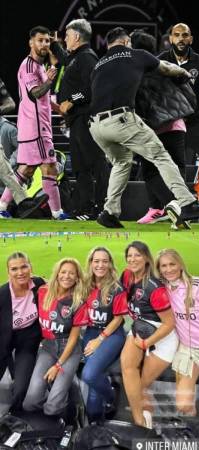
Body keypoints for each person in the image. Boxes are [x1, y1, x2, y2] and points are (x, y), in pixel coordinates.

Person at [88, 27, 199, 229]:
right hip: (121, 119)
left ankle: (109, 212)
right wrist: (184, 72)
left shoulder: (98, 64)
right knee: (160, 155)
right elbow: (167, 69)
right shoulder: (136, 55)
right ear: (126, 42)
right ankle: (186, 202)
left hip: (95, 126)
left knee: (121, 162)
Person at [129, 30, 199, 229]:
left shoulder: (135, 72)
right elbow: (188, 92)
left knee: (151, 171)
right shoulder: (166, 66)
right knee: (176, 170)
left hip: (154, 129)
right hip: (177, 125)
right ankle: (164, 210)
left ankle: (173, 206)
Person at [0, 26, 69, 220]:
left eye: (48, 41)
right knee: (49, 167)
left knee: (27, 169)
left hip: (37, 125)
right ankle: (57, 213)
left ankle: (2, 206)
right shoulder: (29, 66)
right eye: (41, 40)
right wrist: (48, 80)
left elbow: (44, 98)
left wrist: (60, 109)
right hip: (36, 127)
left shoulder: (39, 66)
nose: (45, 44)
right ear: (31, 42)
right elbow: (35, 93)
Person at [49, 19, 109, 221]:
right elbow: (66, 60)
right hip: (77, 121)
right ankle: (84, 209)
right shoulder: (76, 57)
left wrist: (70, 102)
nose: (65, 39)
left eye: (67, 36)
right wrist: (55, 45)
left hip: (86, 119)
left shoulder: (87, 58)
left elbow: (92, 88)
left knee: (95, 164)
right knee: (81, 167)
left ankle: (102, 207)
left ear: (76, 36)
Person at [117, 241, 178, 428]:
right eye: (129, 255)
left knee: (141, 385)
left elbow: (169, 323)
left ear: (146, 259)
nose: (132, 259)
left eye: (137, 255)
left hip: (162, 335)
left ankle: (146, 422)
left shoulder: (154, 287)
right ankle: (140, 422)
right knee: (127, 367)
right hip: (139, 328)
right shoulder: (127, 275)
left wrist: (147, 343)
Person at [22, 258, 88, 418]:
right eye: (63, 272)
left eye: (72, 273)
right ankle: (62, 386)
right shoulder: (43, 291)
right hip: (48, 347)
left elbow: (74, 337)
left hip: (70, 349)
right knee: (30, 403)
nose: (67, 276)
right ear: (57, 274)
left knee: (52, 408)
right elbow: (25, 278)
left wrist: (58, 366)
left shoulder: (78, 300)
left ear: (77, 277)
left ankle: (65, 391)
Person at [156, 249, 199, 416]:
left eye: (172, 264)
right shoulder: (164, 290)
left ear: (180, 264)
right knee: (183, 405)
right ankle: (195, 431)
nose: (169, 269)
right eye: (163, 266)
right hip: (188, 349)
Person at [158, 23, 199, 177]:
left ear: (191, 39)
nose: (180, 39)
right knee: (163, 166)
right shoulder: (159, 62)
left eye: (185, 35)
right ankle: (166, 200)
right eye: (177, 35)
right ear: (171, 39)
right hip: (169, 125)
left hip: (193, 122)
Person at [81, 247, 127, 422]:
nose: (100, 265)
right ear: (91, 263)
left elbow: (118, 319)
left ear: (110, 264)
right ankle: (95, 421)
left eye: (104, 261)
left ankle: (111, 396)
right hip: (91, 332)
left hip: (112, 334)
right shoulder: (85, 284)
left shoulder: (116, 288)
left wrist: (99, 340)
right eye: (96, 261)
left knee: (89, 375)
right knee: (94, 382)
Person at [0, 253, 45, 412]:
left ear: (30, 267)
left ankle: (14, 417)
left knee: (20, 389)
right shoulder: (2, 294)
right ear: (8, 272)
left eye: (24, 266)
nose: (20, 272)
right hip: (3, 341)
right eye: (14, 269)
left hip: (27, 342)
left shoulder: (39, 285)